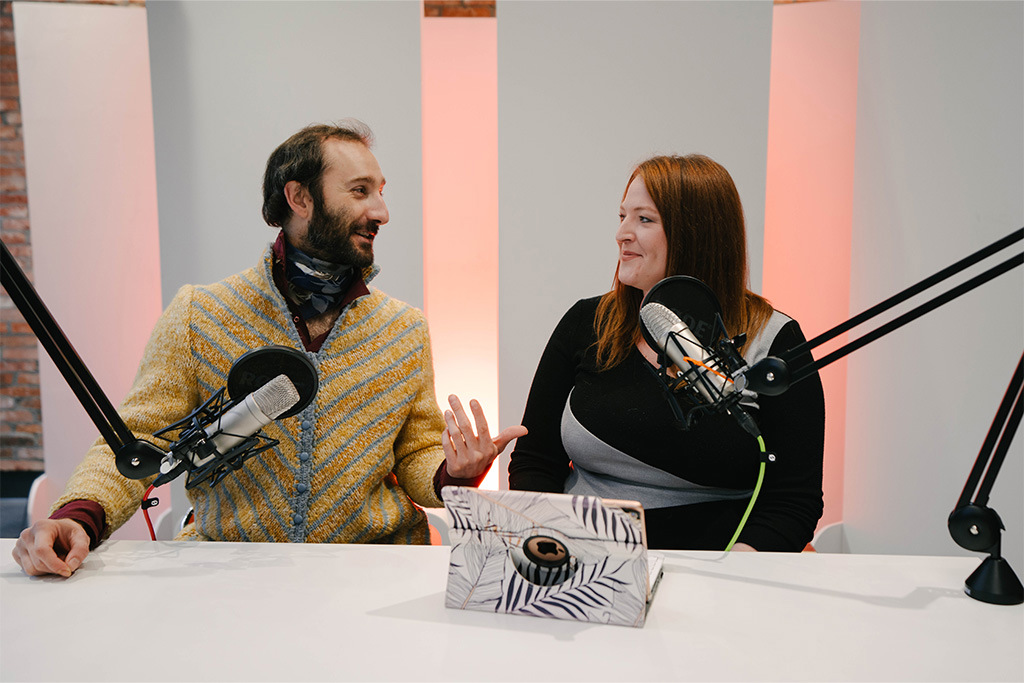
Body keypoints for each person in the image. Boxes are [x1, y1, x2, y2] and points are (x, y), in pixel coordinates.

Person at [14, 120, 526, 577]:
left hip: (372, 574)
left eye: (381, 192)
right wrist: (77, 517)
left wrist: (452, 472)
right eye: (360, 191)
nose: (382, 212)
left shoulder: (405, 329)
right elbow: (137, 438)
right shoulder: (201, 315)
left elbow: (416, 455)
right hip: (229, 576)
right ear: (300, 198)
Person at [508, 154, 824, 552]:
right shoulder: (586, 322)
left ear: (697, 234)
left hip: (718, 572)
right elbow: (535, 461)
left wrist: (735, 573)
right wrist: (553, 544)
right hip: (585, 563)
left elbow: (794, 500)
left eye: (644, 219)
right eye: (622, 216)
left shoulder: (774, 341)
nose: (622, 233)